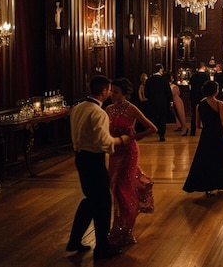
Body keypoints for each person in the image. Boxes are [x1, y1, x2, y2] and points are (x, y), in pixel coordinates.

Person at [66, 75, 129, 260]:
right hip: (93, 159)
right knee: (102, 204)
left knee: (90, 200)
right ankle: (102, 247)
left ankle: (74, 241)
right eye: (109, 90)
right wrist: (121, 140)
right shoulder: (98, 113)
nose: (110, 93)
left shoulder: (77, 108)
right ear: (103, 91)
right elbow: (103, 142)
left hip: (80, 157)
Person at [106, 78, 157, 246]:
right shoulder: (108, 109)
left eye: (116, 92)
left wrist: (133, 137)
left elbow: (153, 128)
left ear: (125, 93)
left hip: (129, 152)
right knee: (114, 188)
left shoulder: (131, 108)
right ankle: (118, 226)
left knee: (122, 189)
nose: (112, 94)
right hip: (115, 152)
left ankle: (127, 229)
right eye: (111, 91)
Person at [183, 81, 223, 196]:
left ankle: (207, 187)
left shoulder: (199, 105)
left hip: (206, 135)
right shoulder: (220, 104)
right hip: (218, 134)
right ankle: (221, 184)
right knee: (221, 158)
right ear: (216, 91)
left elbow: (198, 125)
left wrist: (207, 126)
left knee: (205, 160)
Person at [144, 64, 172, 141]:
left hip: (152, 102)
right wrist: (170, 100)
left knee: (153, 117)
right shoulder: (164, 79)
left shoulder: (149, 80)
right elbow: (168, 91)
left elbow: (146, 92)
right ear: (160, 70)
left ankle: (155, 130)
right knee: (162, 118)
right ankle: (162, 135)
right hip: (163, 102)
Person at [188, 62, 210, 136]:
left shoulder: (193, 76)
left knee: (194, 114)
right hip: (203, 97)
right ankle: (206, 130)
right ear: (203, 67)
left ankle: (192, 131)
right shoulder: (206, 76)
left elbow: (190, 87)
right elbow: (208, 87)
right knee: (206, 114)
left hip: (194, 97)